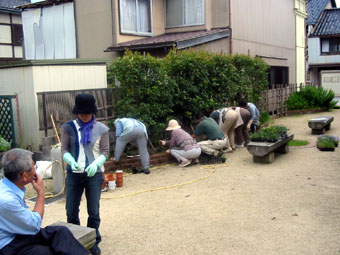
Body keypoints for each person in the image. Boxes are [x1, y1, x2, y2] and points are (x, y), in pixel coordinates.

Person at [0, 148, 89, 255]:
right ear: (24, 175)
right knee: (46, 252)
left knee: (61, 232)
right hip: (8, 244)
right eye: (34, 166)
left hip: (20, 232)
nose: (35, 168)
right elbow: (34, 225)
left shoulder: (8, 185)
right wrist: (40, 192)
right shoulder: (7, 200)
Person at [61, 93, 109, 255]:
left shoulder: (101, 129)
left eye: (87, 114)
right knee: (71, 209)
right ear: (76, 113)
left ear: (93, 113)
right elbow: (64, 149)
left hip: (93, 174)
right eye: (81, 114)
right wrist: (70, 160)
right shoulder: (68, 127)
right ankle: (75, 239)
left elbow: (105, 151)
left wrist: (96, 164)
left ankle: (92, 240)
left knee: (93, 210)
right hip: (74, 173)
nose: (85, 117)